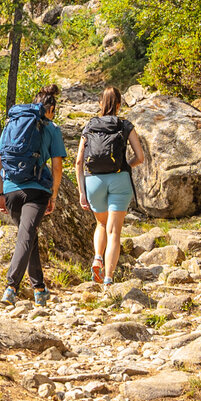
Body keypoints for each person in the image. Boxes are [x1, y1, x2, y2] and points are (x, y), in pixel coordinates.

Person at [0, 83, 66, 307]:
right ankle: (11, 287)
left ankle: (40, 289)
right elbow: (57, 167)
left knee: (28, 235)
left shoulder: (12, 124)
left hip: (11, 189)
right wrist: (53, 195)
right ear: (50, 109)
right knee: (26, 236)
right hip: (37, 190)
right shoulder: (52, 128)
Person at [77, 85, 151, 285]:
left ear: (100, 103)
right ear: (119, 104)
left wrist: (82, 191)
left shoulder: (89, 126)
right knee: (114, 232)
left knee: (101, 224)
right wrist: (125, 166)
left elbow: (79, 161)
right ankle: (108, 279)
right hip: (119, 180)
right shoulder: (125, 126)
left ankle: (97, 258)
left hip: (93, 181)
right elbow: (140, 157)